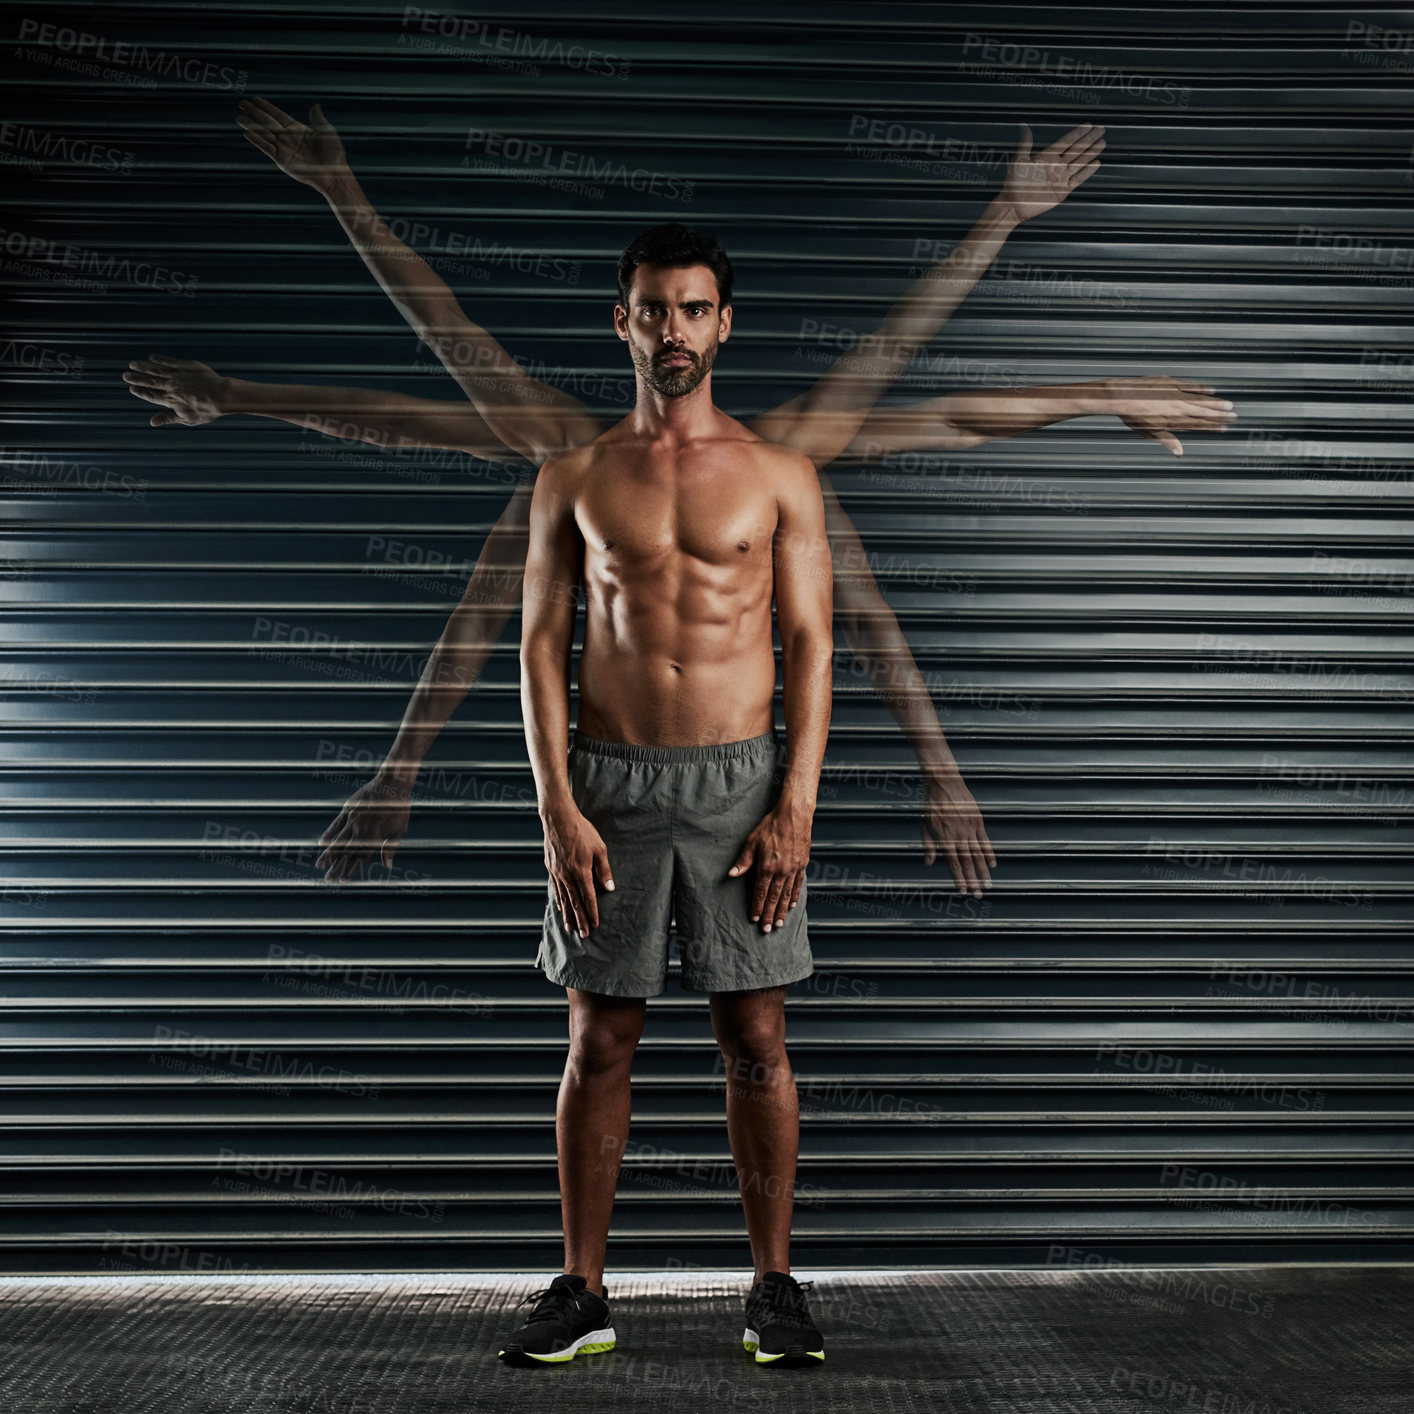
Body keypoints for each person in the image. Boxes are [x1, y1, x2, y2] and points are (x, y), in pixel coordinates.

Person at [511, 222, 834, 1365]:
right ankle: (580, 1292)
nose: (673, 329)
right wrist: (560, 805)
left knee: (757, 1029)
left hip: (741, 784)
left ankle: (775, 1288)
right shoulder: (572, 476)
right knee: (599, 1035)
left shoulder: (782, 476)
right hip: (609, 783)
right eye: (654, 308)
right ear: (623, 321)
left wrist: (794, 800)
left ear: (723, 325)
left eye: (694, 309)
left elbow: (809, 640)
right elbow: (540, 645)